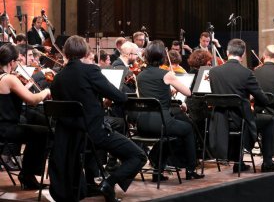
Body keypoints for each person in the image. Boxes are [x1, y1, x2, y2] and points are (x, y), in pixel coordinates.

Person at [50, 35, 146, 202]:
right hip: (93, 134)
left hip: (70, 138)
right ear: (85, 52)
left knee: (108, 130)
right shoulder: (90, 70)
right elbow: (120, 97)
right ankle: (108, 183)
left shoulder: (58, 78)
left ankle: (92, 182)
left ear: (66, 52)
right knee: (138, 156)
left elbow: (78, 101)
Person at [209, 39, 274, 172]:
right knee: (269, 120)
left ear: (227, 52)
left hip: (219, 120)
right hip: (240, 121)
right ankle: (267, 162)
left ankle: (239, 162)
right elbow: (262, 98)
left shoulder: (214, 72)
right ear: (243, 55)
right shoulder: (247, 73)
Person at [136, 40, 204, 181]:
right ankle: (191, 170)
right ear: (163, 57)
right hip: (162, 123)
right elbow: (188, 92)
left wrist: (167, 92)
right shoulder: (167, 74)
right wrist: (172, 86)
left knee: (168, 137)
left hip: (142, 123)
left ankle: (157, 171)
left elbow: (143, 97)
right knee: (188, 128)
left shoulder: (140, 76)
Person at [0, 43, 50, 189]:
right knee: (43, 133)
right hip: (7, 128)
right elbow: (32, 100)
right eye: (17, 61)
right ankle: (27, 175)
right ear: (11, 62)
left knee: (36, 127)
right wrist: (45, 92)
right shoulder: (9, 79)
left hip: (2, 126)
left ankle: (27, 174)